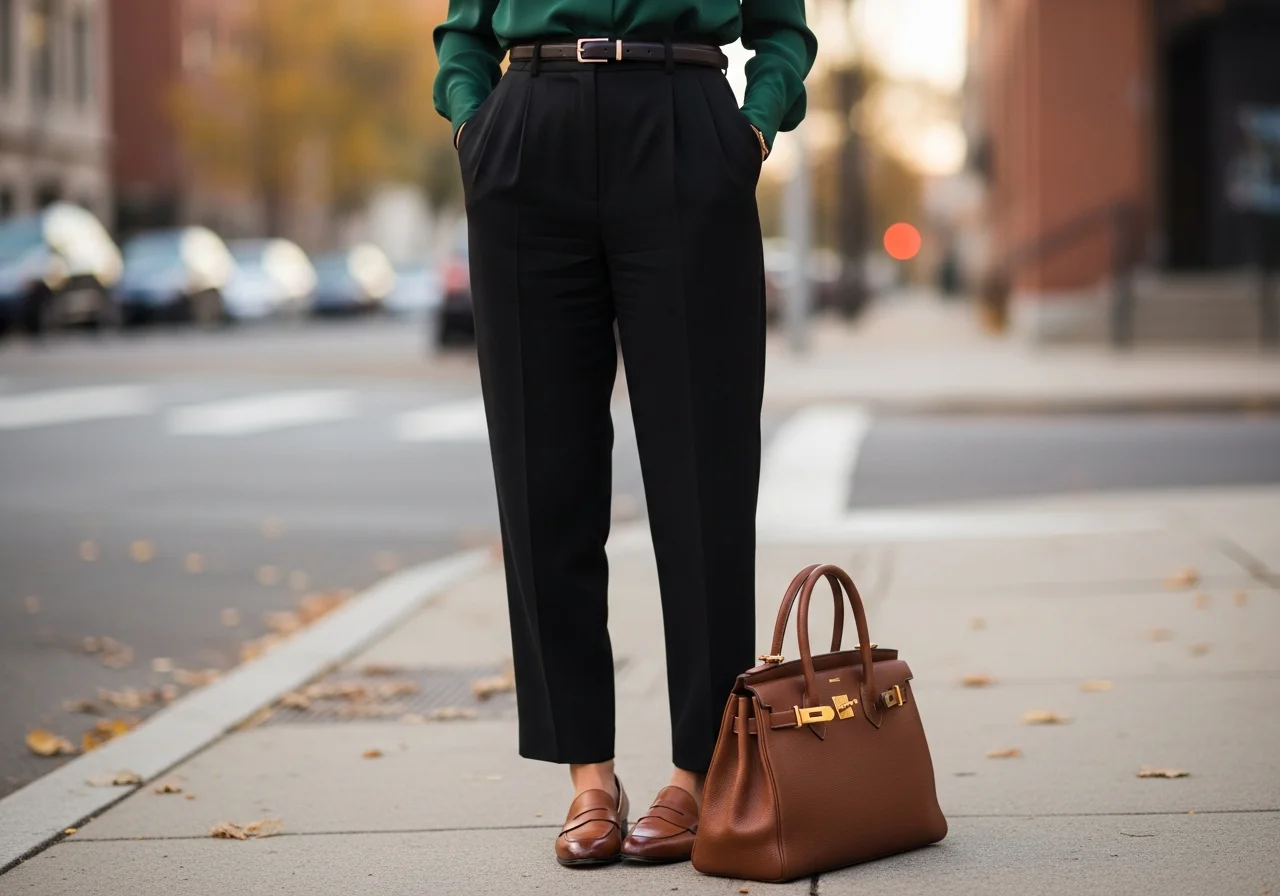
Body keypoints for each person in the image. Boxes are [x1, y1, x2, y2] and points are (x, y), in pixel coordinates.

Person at [432, 0, 816, 869]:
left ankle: (699, 771)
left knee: (702, 479)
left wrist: (749, 131)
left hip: (685, 125)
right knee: (542, 478)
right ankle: (588, 778)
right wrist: (473, 123)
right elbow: (463, 29)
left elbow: (783, 29)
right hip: (528, 131)